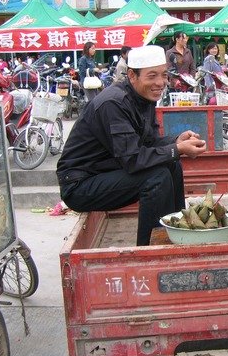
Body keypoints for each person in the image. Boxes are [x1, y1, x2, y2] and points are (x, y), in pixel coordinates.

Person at [56, 45, 207, 246]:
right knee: (157, 177)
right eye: (152, 76)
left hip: (109, 169)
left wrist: (176, 141)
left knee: (172, 164)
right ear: (132, 75)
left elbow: (148, 144)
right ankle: (149, 251)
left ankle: (177, 232)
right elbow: (133, 159)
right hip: (81, 185)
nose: (160, 83)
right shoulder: (114, 103)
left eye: (163, 75)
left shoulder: (144, 97)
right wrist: (177, 149)